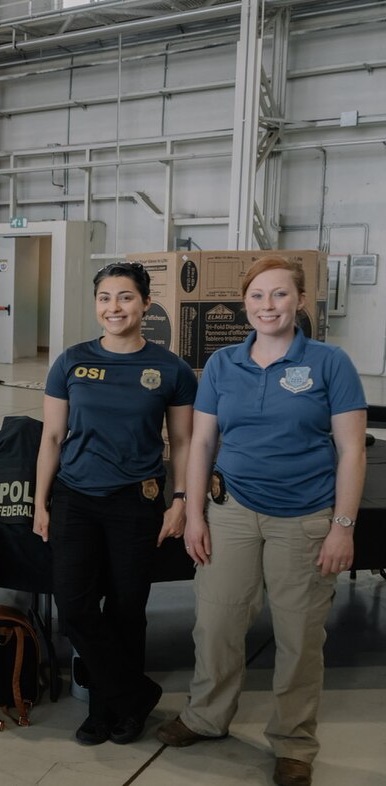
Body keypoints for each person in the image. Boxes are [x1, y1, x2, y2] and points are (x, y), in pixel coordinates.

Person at [156, 256, 366, 786]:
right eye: (257, 296)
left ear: (299, 300)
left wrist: (343, 525)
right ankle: (206, 716)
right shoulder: (224, 364)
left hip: (306, 519)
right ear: (244, 302)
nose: (267, 306)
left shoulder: (330, 362)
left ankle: (295, 742)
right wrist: (197, 513)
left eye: (278, 295)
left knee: (299, 636)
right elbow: (202, 442)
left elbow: (351, 450)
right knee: (217, 622)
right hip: (232, 513)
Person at [34, 261, 196, 747]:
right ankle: (133, 694)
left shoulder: (171, 368)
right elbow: (52, 437)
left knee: (128, 608)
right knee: (75, 606)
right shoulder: (71, 361)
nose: (114, 307)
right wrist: (41, 502)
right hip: (75, 499)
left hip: (136, 501)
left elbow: (183, 441)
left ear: (146, 304)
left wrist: (181, 498)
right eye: (105, 297)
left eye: (125, 297)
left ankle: (109, 712)